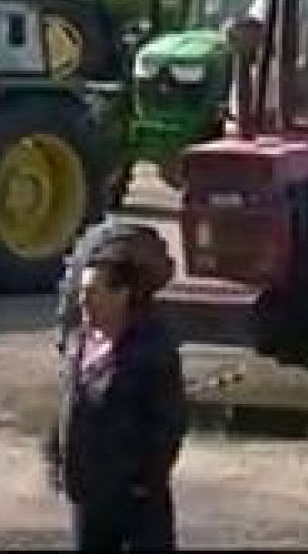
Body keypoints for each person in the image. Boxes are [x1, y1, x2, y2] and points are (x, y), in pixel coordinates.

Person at [45, 220, 187, 551]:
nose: (82, 302)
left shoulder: (152, 350)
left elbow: (169, 424)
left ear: (122, 295)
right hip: (89, 497)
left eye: (92, 293)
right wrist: (56, 456)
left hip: (135, 504)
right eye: (80, 293)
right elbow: (69, 402)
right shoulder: (80, 343)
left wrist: (142, 483)